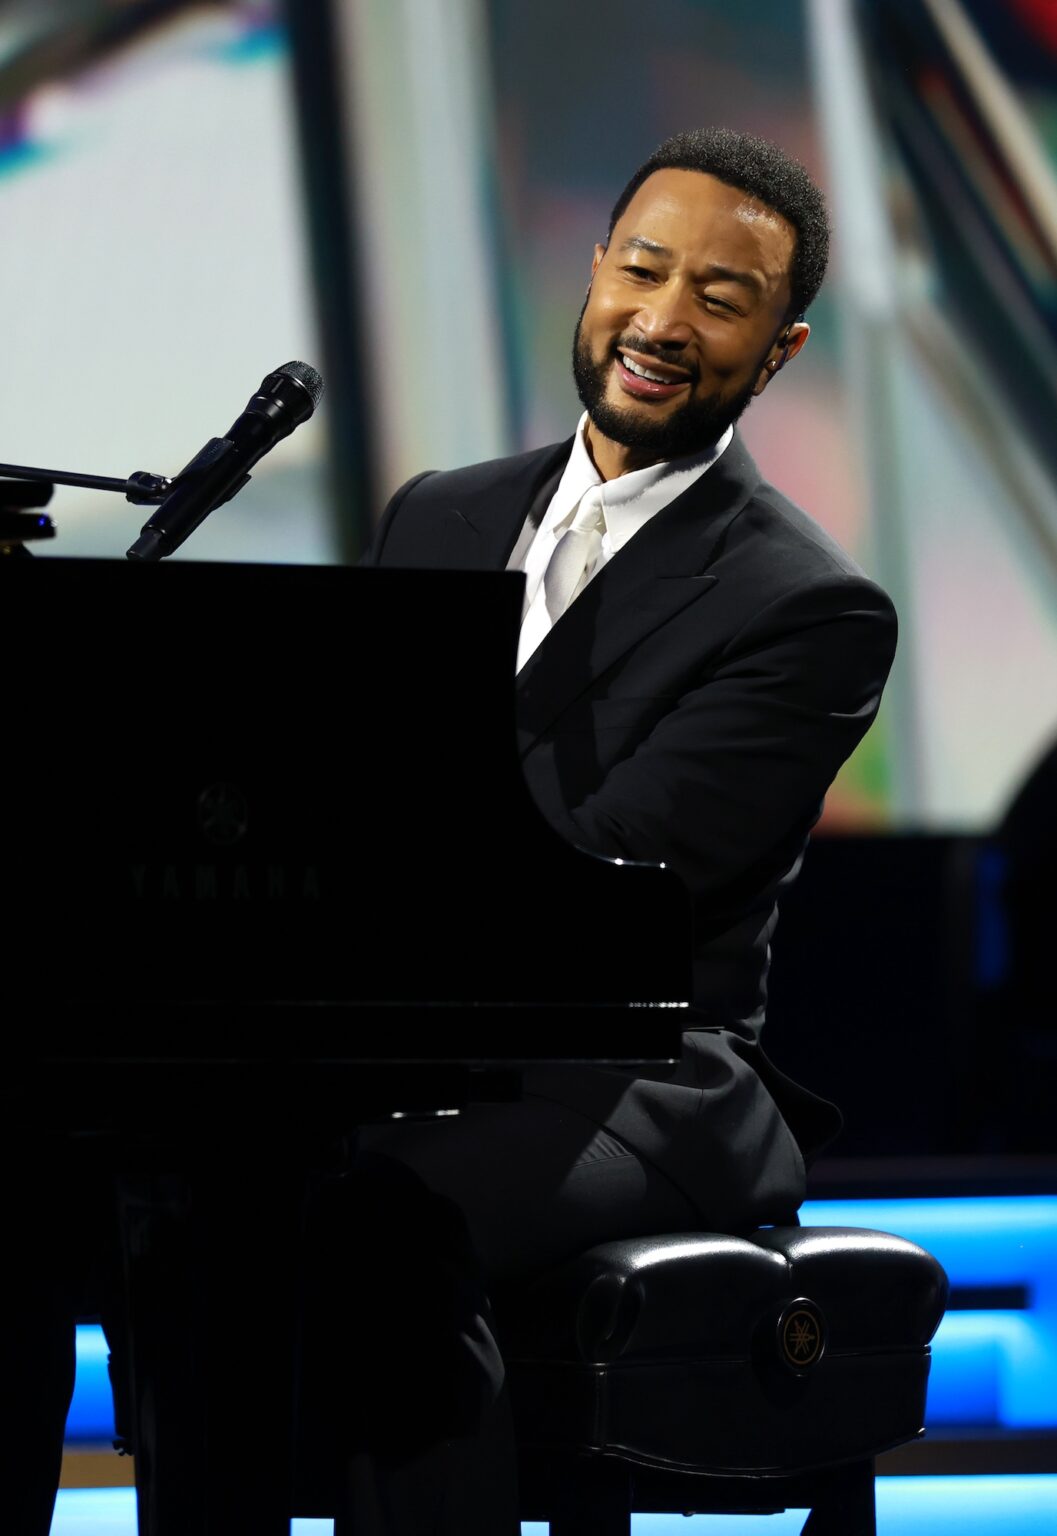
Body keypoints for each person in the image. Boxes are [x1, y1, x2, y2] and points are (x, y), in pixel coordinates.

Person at [335, 126, 898, 1533]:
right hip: (422, 1034)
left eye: (719, 296)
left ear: (778, 351)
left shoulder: (807, 605)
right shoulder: (440, 514)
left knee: (372, 1210)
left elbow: (610, 871)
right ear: (590, 276)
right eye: (640, 269)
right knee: (167, 1193)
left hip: (641, 1073)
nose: (661, 318)